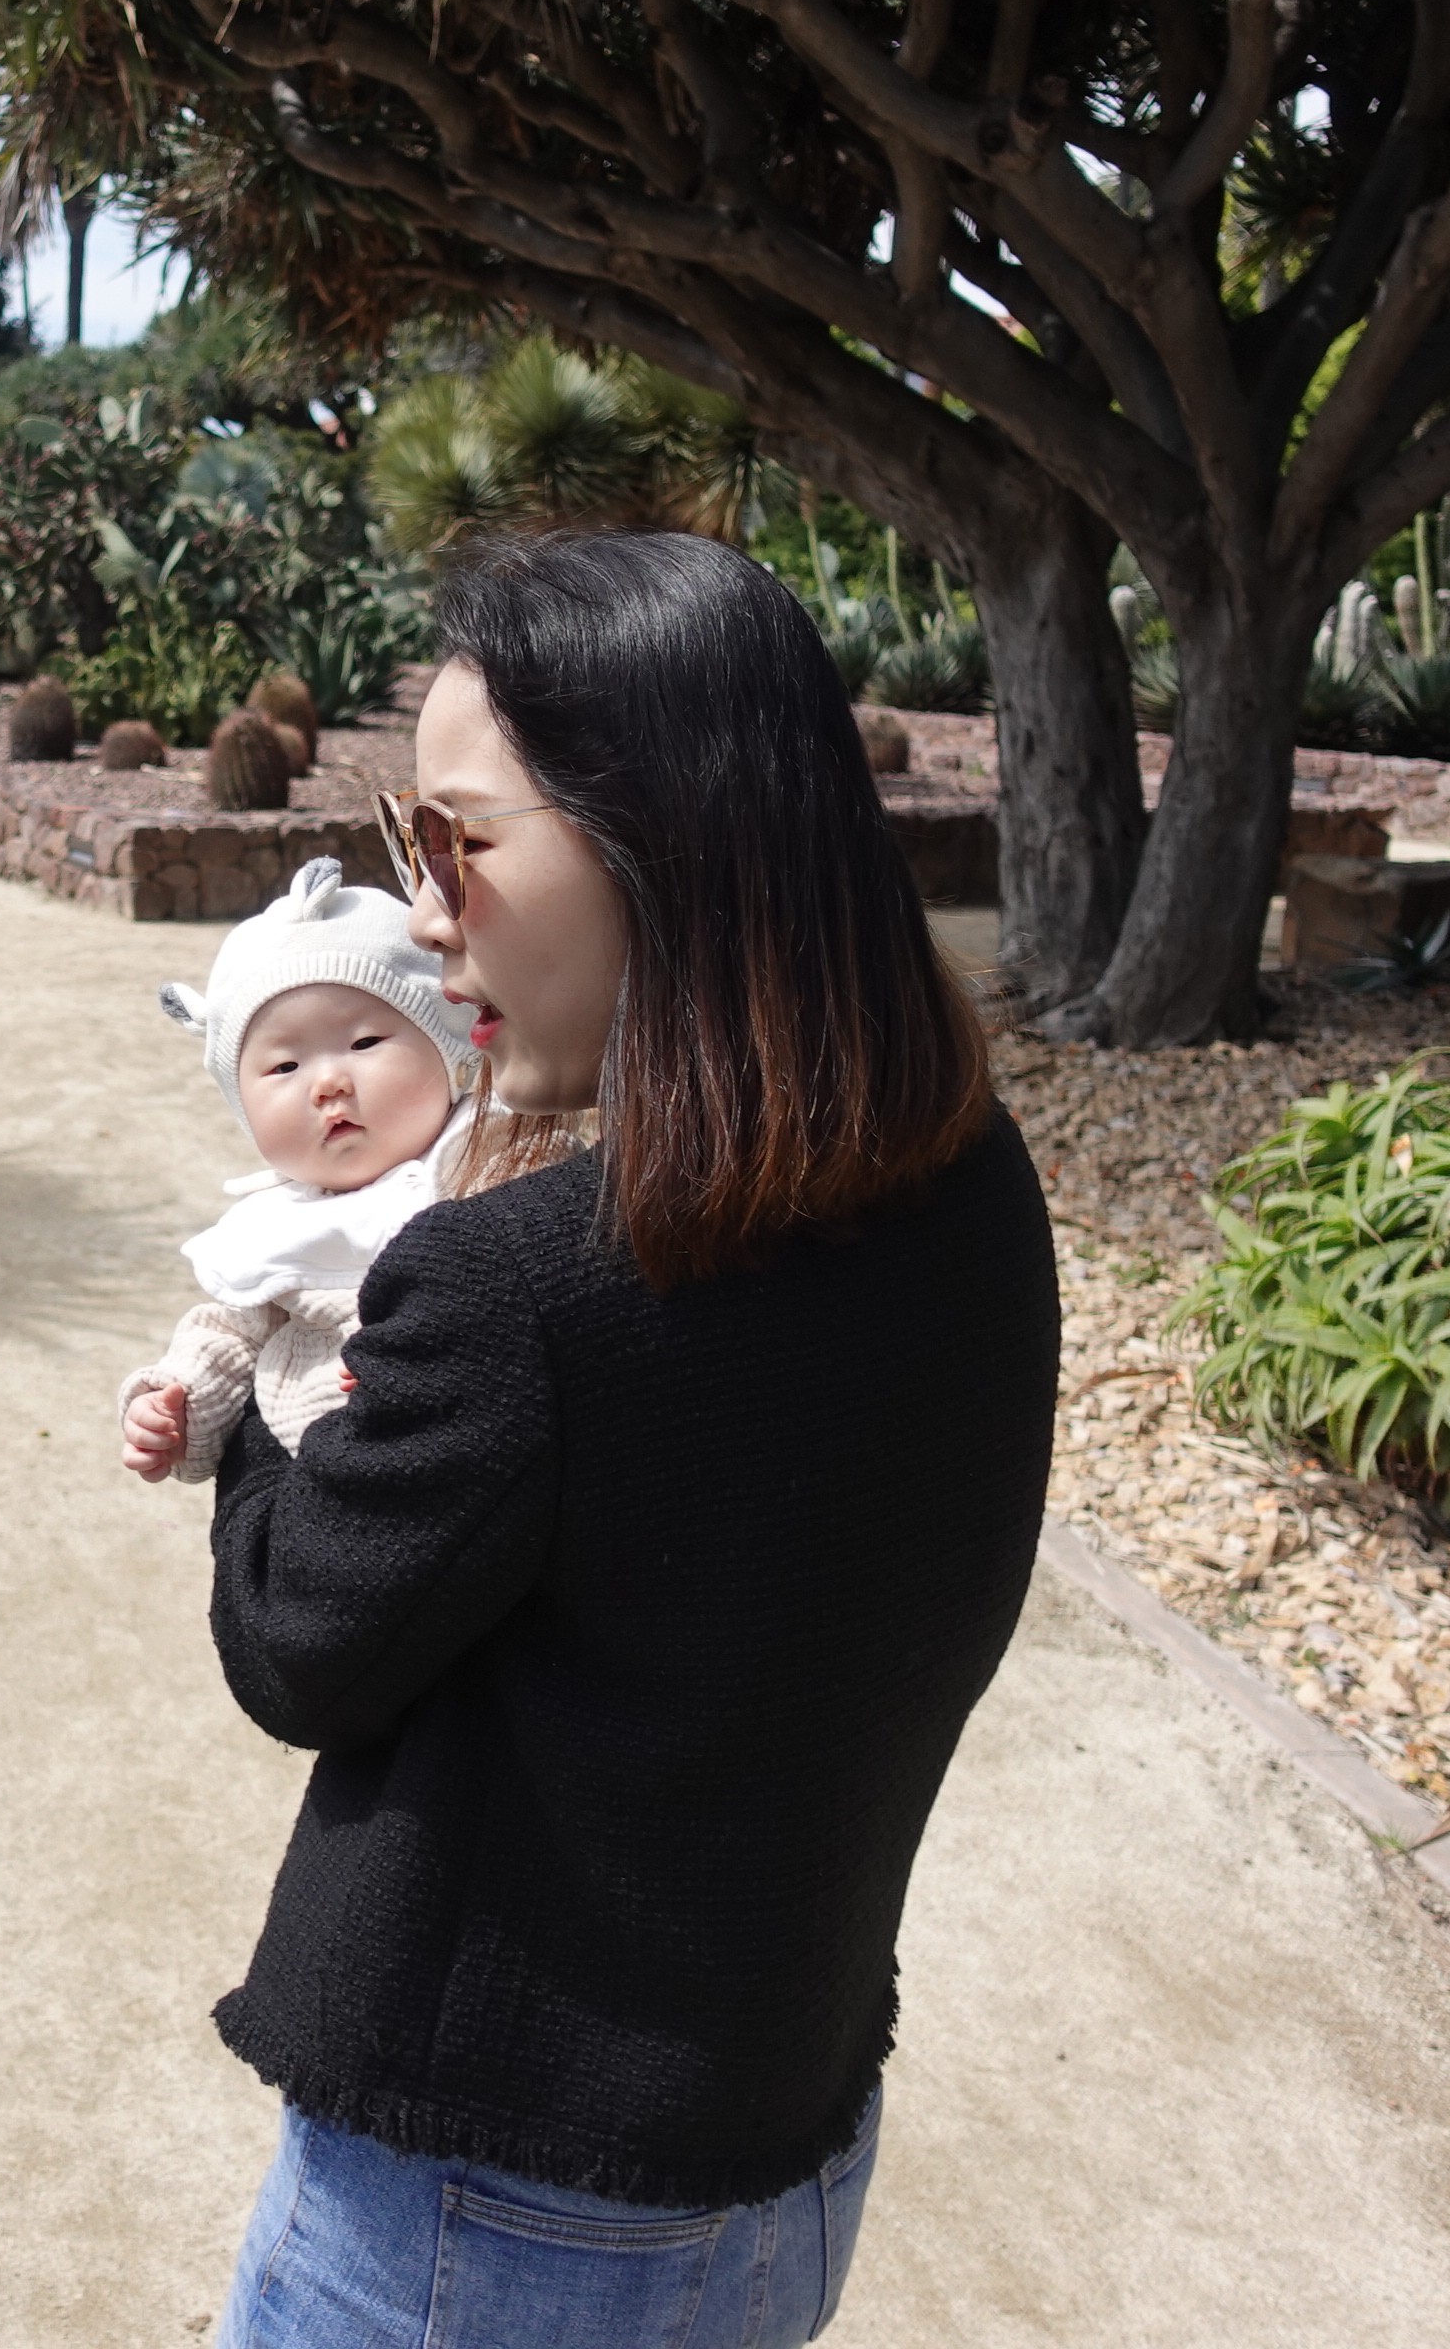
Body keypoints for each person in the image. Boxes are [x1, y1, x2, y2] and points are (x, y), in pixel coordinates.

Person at [207, 528, 1058, 2349]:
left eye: (460, 838)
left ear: (661, 831)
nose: (424, 915)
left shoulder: (519, 1290)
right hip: (784, 2141)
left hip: (481, 2213)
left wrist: (270, 1361)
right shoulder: (968, 1173)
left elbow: (293, 1642)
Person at [121, 858, 477, 1488]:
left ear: (447, 1047)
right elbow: (229, 1336)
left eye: (364, 1043)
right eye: (284, 1067)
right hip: (327, 1475)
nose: (328, 1083)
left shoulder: (490, 1151)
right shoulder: (274, 1227)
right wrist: (176, 1403)